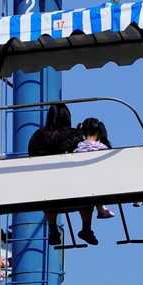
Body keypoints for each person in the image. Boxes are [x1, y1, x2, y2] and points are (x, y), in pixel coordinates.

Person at [28, 103, 88, 246]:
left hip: (46, 182)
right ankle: (86, 227)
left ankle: (53, 229)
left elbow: (32, 154)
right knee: (87, 195)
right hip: (72, 182)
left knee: (50, 199)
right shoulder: (74, 134)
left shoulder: (39, 135)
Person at [74, 117, 115, 221]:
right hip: (99, 182)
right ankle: (100, 207)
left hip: (81, 182)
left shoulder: (78, 148)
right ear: (99, 131)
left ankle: (100, 207)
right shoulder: (103, 148)